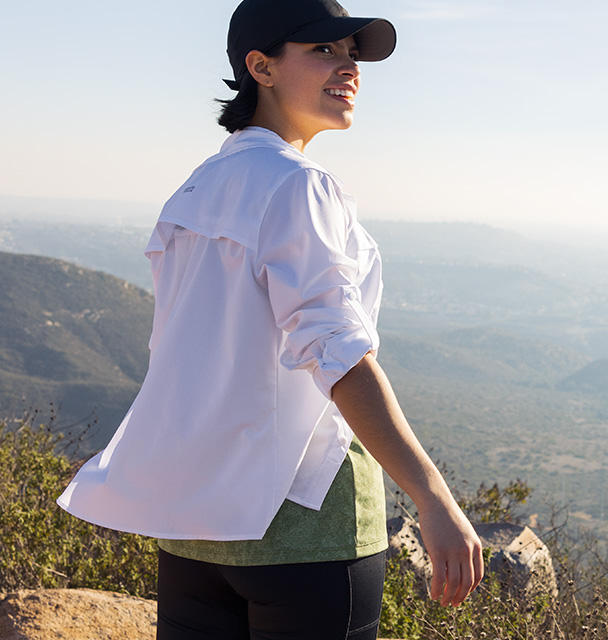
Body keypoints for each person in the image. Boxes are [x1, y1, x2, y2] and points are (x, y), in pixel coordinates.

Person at [58, 0, 484, 638]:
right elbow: (336, 351)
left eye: (350, 52)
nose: (349, 68)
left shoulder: (195, 190)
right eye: (323, 51)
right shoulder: (299, 184)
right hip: (307, 527)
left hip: (195, 526)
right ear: (260, 66)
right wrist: (432, 496)